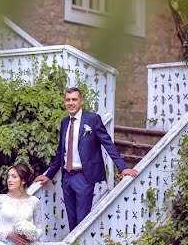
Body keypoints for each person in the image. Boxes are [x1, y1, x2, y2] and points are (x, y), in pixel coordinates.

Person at [34, 87, 138, 231]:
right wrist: (48, 175)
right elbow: (60, 152)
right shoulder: (65, 122)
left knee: (82, 220)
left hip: (84, 176)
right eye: (68, 100)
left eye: (74, 100)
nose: (70, 103)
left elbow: (107, 143)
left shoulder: (92, 119)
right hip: (67, 177)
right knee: (71, 220)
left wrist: (123, 167)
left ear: (81, 101)